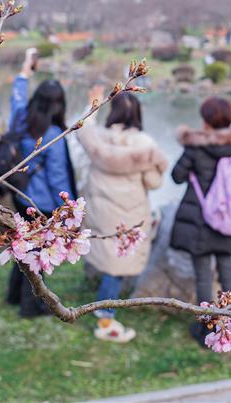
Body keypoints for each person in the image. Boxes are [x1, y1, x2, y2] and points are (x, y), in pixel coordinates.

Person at [74, 89, 168, 342]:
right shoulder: (144, 145)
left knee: (106, 256)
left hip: (101, 210)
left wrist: (91, 104)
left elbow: (82, 128)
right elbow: (155, 181)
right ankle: (105, 316)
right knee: (118, 265)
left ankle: (102, 301)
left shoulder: (98, 139)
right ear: (137, 114)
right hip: (129, 214)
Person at [5, 49, 78, 317]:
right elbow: (58, 178)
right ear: (60, 105)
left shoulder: (21, 118)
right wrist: (68, 208)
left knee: (22, 246)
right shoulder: (54, 134)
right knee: (36, 255)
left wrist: (25, 71)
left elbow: (16, 97)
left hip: (20, 194)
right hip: (43, 204)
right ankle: (31, 305)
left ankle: (14, 295)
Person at [170, 96, 231, 348]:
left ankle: (208, 328)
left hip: (201, 220)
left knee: (203, 276)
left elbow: (177, 176)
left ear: (205, 121)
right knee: (227, 272)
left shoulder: (195, 147)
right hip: (227, 218)